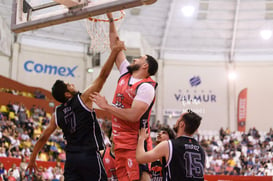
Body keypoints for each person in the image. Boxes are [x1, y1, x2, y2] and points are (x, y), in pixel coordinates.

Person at [26, 37, 125, 181]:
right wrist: (114, 51)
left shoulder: (57, 114)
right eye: (69, 85)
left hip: (71, 160)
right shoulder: (83, 99)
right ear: (67, 94)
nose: (72, 84)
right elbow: (103, 76)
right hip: (90, 157)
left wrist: (32, 158)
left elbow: (43, 137)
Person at [91, 13, 158, 181]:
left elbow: (133, 115)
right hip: (119, 144)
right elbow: (115, 47)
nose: (134, 58)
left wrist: (106, 107)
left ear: (145, 65)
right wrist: (111, 20)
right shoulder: (125, 72)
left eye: (140, 57)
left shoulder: (146, 88)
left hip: (134, 144)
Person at [136, 110, 206, 181]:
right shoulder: (201, 150)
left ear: (181, 124)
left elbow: (140, 158)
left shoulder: (169, 145)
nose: (176, 122)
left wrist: (141, 138)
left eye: (178, 120)